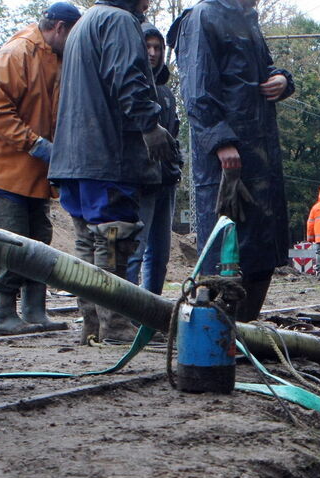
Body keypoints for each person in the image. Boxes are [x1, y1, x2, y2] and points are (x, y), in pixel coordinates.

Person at [48, 0, 176, 344]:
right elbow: (128, 77)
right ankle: (117, 326)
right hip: (106, 156)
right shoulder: (118, 21)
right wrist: (150, 124)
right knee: (114, 239)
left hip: (75, 159)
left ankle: (93, 325)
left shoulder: (85, 24)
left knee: (88, 244)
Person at [169, 0, 295, 321]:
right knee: (225, 242)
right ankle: (217, 324)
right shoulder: (203, 16)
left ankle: (245, 323)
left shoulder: (246, 19)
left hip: (260, 154)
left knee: (260, 246)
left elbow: (263, 68)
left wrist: (282, 79)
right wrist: (221, 142)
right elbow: (197, 89)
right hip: (226, 159)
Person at [0, 2, 81, 336]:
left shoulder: (56, 58)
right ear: (60, 28)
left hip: (36, 171)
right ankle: (3, 316)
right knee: (12, 241)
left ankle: (35, 311)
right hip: (6, 168)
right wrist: (35, 143)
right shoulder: (17, 53)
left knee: (39, 240)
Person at [125, 23, 183, 296]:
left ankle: (152, 309)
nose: (152, 53)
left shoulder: (167, 94)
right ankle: (129, 310)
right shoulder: (130, 90)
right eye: (147, 47)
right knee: (135, 248)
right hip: (140, 180)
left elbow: (173, 134)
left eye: (157, 48)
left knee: (160, 253)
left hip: (166, 179)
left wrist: (175, 165)